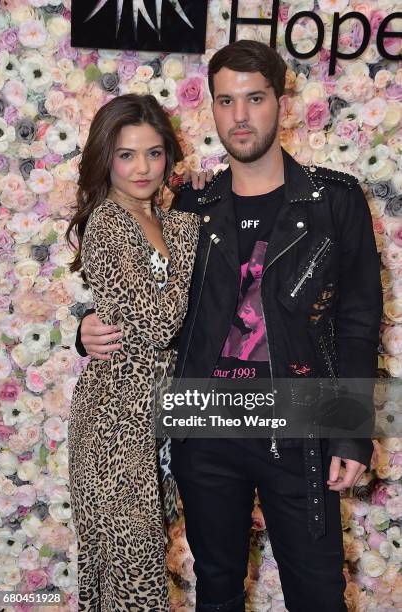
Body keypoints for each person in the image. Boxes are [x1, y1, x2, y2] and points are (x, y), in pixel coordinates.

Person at [75, 42, 382, 612]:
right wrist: (87, 326)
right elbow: (139, 279)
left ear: (280, 104)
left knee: (317, 595)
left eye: (255, 98)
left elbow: (358, 322)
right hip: (204, 427)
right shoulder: (190, 205)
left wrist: (349, 432)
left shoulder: (333, 202)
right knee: (216, 592)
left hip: (296, 426)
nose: (240, 116)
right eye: (226, 101)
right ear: (212, 109)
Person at [66, 93, 200, 611]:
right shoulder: (108, 223)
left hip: (155, 424)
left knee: (130, 575)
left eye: (154, 153)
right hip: (114, 425)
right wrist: (192, 226)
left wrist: (185, 212)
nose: (142, 168)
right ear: (106, 158)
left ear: (169, 154)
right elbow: (157, 321)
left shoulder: (163, 220)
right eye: (126, 155)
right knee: (133, 577)